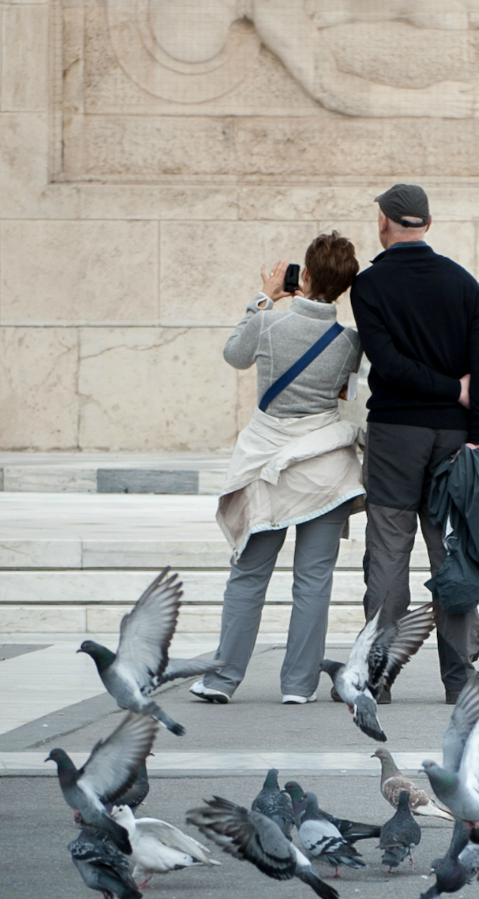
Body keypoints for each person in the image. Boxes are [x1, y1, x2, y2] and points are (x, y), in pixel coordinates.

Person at [190, 231, 365, 706]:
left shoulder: (268, 325)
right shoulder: (351, 342)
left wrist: (266, 296)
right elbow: (347, 397)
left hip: (267, 467)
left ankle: (222, 679)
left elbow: (234, 355)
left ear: (303, 276)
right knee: (314, 582)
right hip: (327, 471)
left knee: (249, 574)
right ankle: (298, 685)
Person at [350, 182, 479, 706]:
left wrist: (442, 392)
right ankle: (459, 680)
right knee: (451, 556)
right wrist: (478, 435)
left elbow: (387, 365)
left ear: (384, 223)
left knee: (389, 550)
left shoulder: (369, 286)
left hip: (395, 434)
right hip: (454, 438)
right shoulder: (461, 282)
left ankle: (379, 674)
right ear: (428, 225)